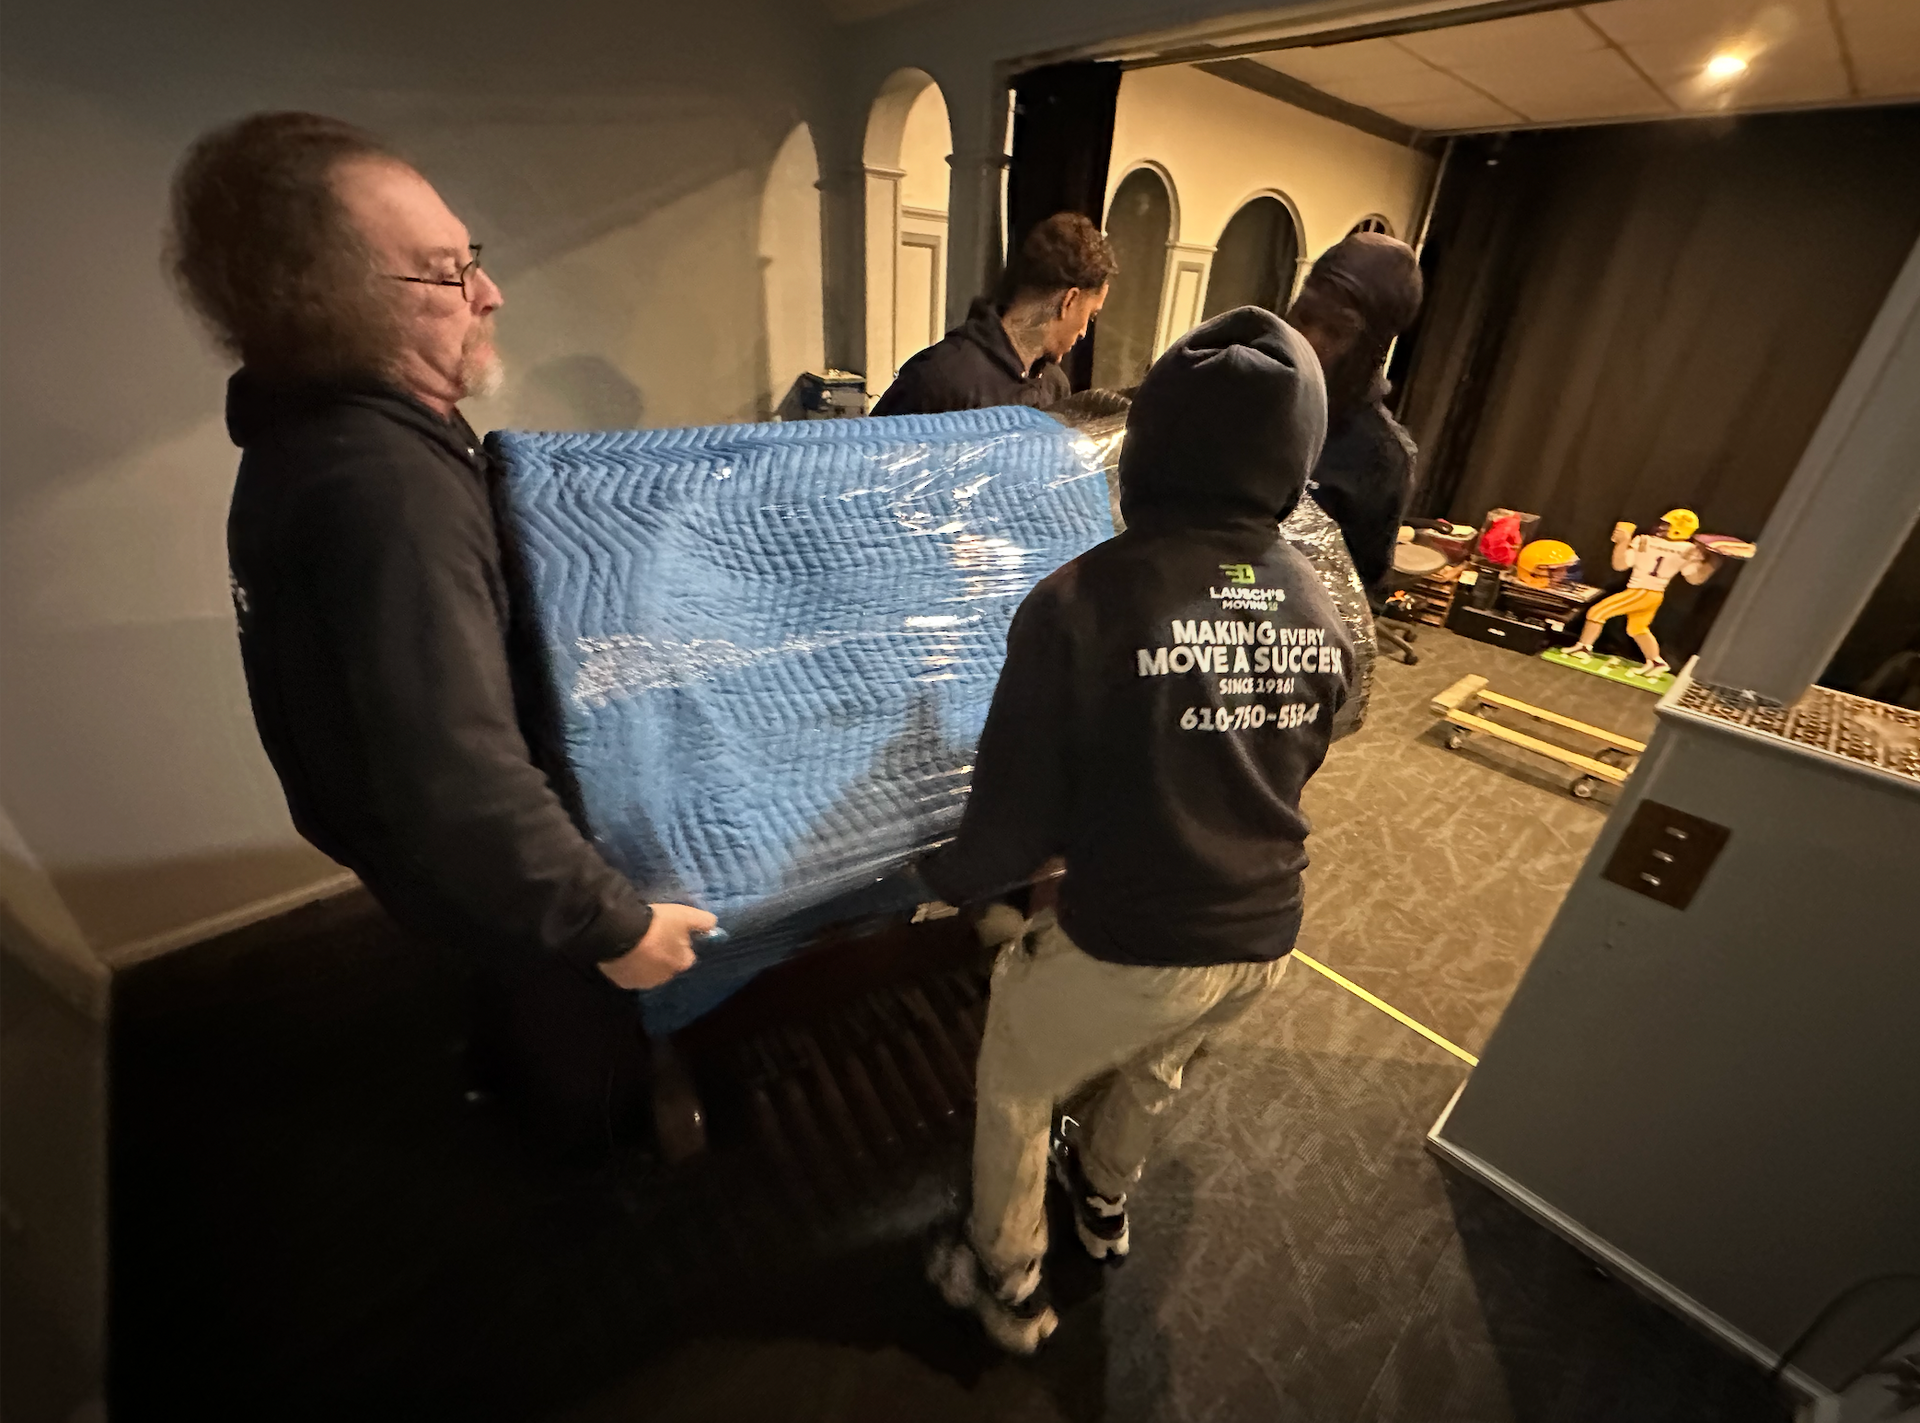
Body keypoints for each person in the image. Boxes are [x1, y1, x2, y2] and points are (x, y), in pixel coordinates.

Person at [168, 112, 714, 1156]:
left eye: (474, 259)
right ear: (334, 304)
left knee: (501, 978)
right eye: (445, 270)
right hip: (471, 864)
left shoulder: (315, 435)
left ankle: (507, 1066)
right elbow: (458, 776)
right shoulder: (385, 490)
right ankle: (590, 1168)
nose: (489, 290)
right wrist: (618, 928)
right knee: (577, 1034)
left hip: (414, 859)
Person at [915, 306, 1354, 1354]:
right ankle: (1103, 1203)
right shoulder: (1319, 602)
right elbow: (1292, 750)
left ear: (1146, 447)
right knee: (1157, 1062)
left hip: (1138, 935)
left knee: (1018, 1072)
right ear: (1293, 461)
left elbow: (1013, 812)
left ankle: (1004, 1275)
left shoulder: (1082, 600)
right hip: (1267, 934)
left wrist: (944, 878)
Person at [1284, 232, 1425, 590]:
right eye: (1304, 316)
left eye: (1335, 331)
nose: (1307, 340)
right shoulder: (1230, 387)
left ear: (1373, 349)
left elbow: (1356, 608)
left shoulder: (1382, 459)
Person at [871, 212, 1115, 416]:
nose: (1084, 331)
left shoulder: (1055, 385)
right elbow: (865, 461)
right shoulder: (938, 377)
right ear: (1069, 301)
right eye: (1091, 315)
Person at [1568, 509, 1720, 676]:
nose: (1661, 527)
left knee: (1596, 613)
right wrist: (1713, 562)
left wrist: (1623, 542)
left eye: (1666, 525)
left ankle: (1583, 648)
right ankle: (1656, 662)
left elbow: (1620, 565)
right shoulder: (1688, 549)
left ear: (1679, 528)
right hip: (1654, 594)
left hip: (1641, 591)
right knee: (1637, 628)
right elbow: (1695, 579)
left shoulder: (1648, 542)